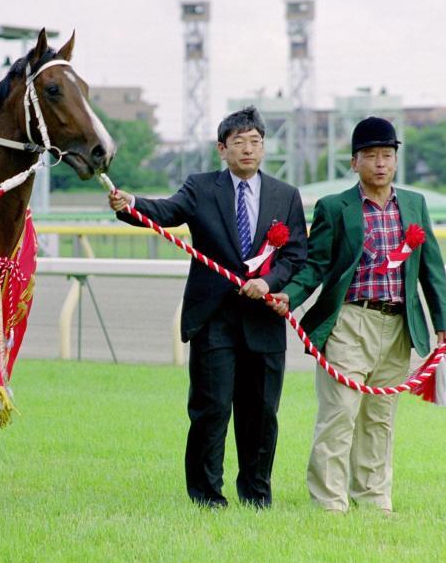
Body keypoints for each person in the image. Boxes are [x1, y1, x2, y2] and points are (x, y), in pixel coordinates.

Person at [109, 107, 307, 508]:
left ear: (264, 147)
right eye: (239, 143)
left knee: (261, 414)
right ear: (222, 148)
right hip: (213, 318)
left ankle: (256, 495)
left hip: (263, 321)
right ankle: (206, 496)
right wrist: (129, 203)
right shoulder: (201, 188)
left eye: (255, 142)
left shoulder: (285, 196)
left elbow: (296, 256)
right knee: (211, 409)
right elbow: (166, 212)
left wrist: (267, 283)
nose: (248, 150)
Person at [269, 117, 446, 514]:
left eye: (387, 155)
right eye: (370, 156)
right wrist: (287, 293)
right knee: (339, 414)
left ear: (396, 160)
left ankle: (373, 500)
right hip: (349, 323)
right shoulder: (335, 207)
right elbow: (316, 265)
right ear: (354, 163)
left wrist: (444, 323)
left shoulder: (414, 204)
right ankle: (329, 503)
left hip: (399, 326)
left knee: (380, 418)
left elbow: (431, 269)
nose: (380, 163)